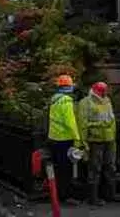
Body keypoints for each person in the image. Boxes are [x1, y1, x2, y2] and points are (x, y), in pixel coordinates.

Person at [76, 81, 120, 205]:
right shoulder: (85, 103)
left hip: (109, 139)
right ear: (95, 90)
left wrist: (113, 136)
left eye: (105, 91)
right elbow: (82, 124)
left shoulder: (106, 100)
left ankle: (110, 195)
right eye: (101, 91)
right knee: (95, 168)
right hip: (95, 140)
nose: (104, 93)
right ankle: (93, 198)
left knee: (110, 167)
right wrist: (83, 143)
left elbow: (112, 120)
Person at [47, 74, 82, 204]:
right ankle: (65, 196)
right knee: (66, 170)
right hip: (65, 139)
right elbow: (70, 122)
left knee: (58, 169)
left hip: (54, 138)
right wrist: (77, 137)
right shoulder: (66, 101)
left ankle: (57, 194)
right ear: (69, 87)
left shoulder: (54, 99)